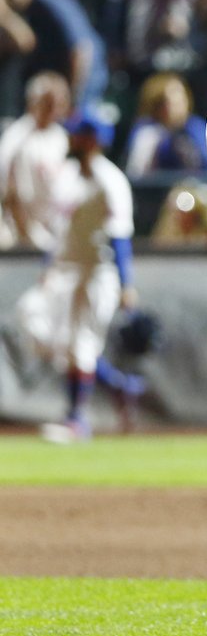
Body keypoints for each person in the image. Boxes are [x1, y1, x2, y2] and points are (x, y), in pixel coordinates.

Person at [13, 107, 141, 443]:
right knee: (33, 318)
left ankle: (76, 419)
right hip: (64, 271)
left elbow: (120, 237)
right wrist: (47, 268)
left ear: (92, 140)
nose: (70, 137)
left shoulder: (110, 180)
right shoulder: (67, 174)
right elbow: (59, 229)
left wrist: (127, 285)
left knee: (80, 345)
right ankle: (117, 385)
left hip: (97, 274)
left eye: (78, 133)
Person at [0, 71, 71, 251]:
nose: (54, 107)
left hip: (53, 227)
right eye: (48, 101)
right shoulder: (16, 139)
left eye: (58, 101)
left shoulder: (61, 137)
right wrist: (25, 234)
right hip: (21, 230)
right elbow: (9, 194)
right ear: (34, 101)